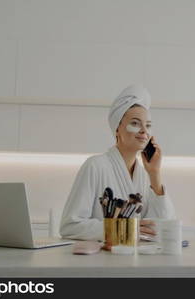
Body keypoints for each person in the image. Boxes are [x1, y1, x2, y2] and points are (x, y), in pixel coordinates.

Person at [59, 84, 176, 240]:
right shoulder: (95, 166)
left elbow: (163, 228)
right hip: (100, 260)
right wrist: (123, 229)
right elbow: (70, 226)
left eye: (148, 125)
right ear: (117, 129)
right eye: (135, 123)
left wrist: (155, 174)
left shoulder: (144, 174)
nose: (144, 131)